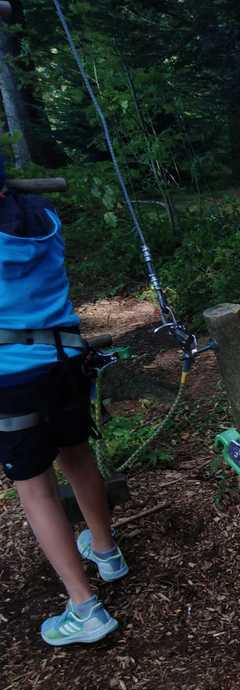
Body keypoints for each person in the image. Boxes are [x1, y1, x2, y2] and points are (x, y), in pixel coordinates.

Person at [0, 157, 127, 646]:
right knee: (77, 456)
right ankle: (106, 551)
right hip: (66, 362)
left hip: (11, 377)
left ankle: (84, 608)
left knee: (35, 489)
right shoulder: (43, 217)